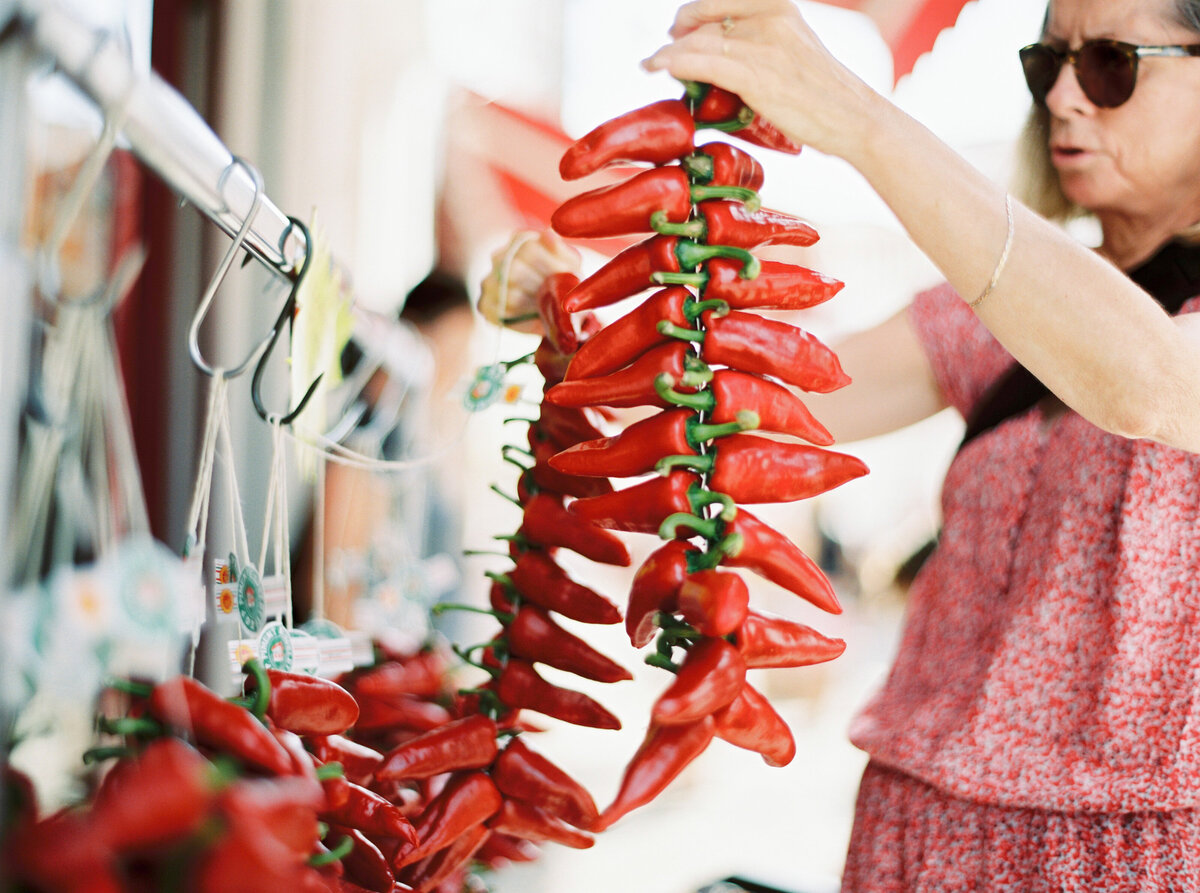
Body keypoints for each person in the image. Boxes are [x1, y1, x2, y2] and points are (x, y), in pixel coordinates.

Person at [478, 0, 1200, 888]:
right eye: (1043, 64)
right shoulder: (1000, 313)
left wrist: (853, 117)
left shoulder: (1102, 324)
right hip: (916, 825)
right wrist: (577, 320)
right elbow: (748, 403)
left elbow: (1152, 382)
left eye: (1110, 64)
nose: (1061, 98)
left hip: (1122, 855)